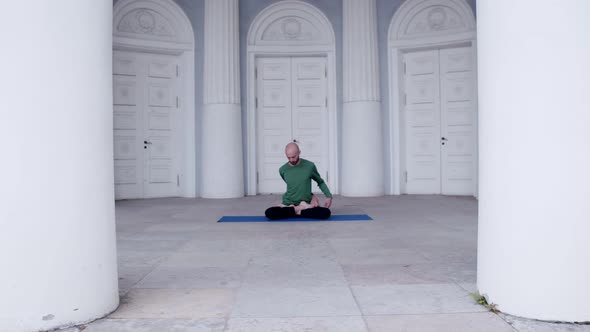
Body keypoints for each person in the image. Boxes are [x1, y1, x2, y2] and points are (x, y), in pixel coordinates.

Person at [265, 142, 333, 220]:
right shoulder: (282, 170)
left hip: (305, 203)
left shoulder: (309, 166)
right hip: (288, 203)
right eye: (288, 157)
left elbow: (320, 182)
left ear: (299, 153)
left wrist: (328, 196)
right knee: (269, 212)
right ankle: (299, 211)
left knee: (326, 213)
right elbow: (295, 185)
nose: (291, 160)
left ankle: (292, 211)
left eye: (293, 157)